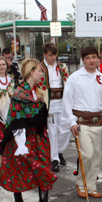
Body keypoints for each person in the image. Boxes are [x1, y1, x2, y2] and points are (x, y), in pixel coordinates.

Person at [0, 59, 57, 202]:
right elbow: (15, 119)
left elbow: (41, 116)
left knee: (43, 167)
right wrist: (20, 144)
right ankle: (18, 194)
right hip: (23, 138)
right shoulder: (19, 93)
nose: (42, 73)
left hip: (39, 137)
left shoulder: (38, 91)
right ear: (32, 72)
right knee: (20, 167)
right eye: (40, 70)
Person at [61, 46, 102, 199]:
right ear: (83, 60)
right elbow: (67, 101)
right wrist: (71, 121)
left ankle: (91, 185)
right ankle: (81, 183)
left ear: (98, 59)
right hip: (81, 123)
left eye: (94, 57)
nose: (91, 61)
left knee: (96, 156)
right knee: (87, 154)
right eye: (88, 58)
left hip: (98, 122)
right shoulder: (74, 78)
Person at [39, 43, 70, 172]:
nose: (53, 57)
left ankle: (59, 151)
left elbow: (68, 82)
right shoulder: (39, 68)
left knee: (66, 129)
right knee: (52, 131)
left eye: (55, 55)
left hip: (62, 101)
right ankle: (54, 159)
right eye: (50, 55)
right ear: (44, 54)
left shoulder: (62, 67)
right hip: (49, 103)